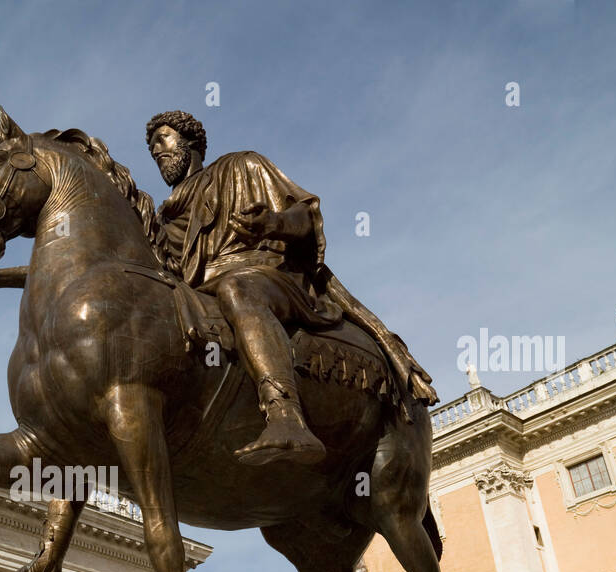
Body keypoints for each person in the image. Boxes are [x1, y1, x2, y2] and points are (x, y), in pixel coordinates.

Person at [144, 110, 436, 466]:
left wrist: (272, 222)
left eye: (163, 139)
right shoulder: (164, 218)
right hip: (203, 292)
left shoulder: (241, 166)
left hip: (266, 277)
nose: (157, 150)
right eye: (151, 146)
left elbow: (304, 216)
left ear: (190, 141)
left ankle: (285, 414)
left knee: (238, 289)